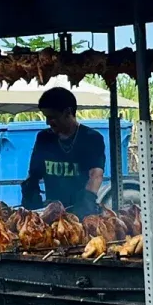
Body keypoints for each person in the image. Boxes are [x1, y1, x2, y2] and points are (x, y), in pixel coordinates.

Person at [20, 86, 105, 219]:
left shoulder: (91, 138)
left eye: (52, 117)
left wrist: (86, 201)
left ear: (67, 112)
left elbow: (96, 175)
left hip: (81, 210)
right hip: (52, 211)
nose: (48, 122)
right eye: (46, 117)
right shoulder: (44, 138)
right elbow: (34, 174)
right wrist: (30, 193)